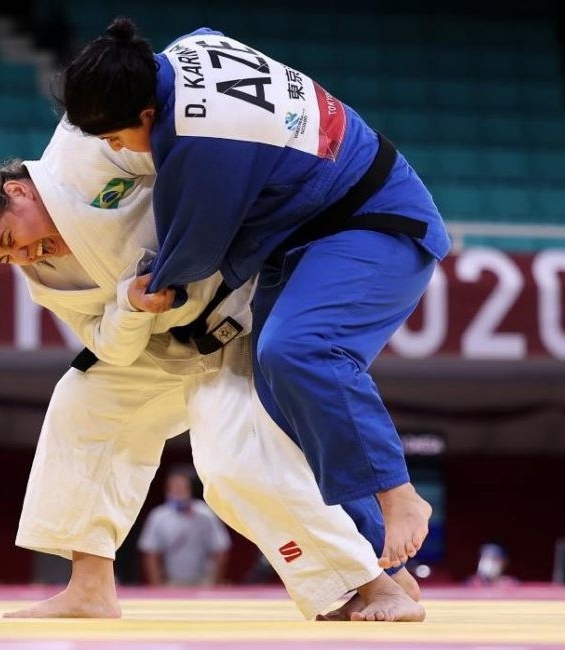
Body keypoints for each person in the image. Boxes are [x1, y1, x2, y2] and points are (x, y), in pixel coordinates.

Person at [0, 117, 424, 622]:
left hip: (236, 321)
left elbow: (187, 151)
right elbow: (107, 344)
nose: (24, 256)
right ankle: (90, 589)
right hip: (160, 344)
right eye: (6, 257)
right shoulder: (44, 277)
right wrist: (128, 307)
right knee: (80, 402)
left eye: (12, 238)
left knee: (230, 464)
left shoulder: (84, 154)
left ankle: (372, 583)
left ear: (18, 191)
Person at [59, 18, 451, 576]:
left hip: (374, 223)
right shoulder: (185, 52)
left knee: (297, 350)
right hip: (308, 237)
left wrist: (131, 298)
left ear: (147, 113)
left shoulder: (199, 140)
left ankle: (397, 493)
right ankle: (380, 569)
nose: (120, 151)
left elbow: (185, 264)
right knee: (278, 402)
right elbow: (209, 32)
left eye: (117, 139)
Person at [137, 468, 231, 586]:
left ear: (191, 489)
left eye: (182, 487)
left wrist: (213, 583)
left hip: (203, 583)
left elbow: (221, 549)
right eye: (174, 487)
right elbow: (150, 553)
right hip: (172, 583)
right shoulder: (158, 516)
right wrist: (158, 586)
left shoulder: (206, 515)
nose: (178, 491)